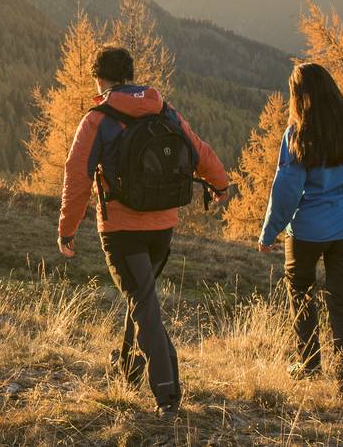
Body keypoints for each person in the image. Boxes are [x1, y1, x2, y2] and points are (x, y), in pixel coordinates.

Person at [57, 46, 232, 418]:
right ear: (130, 76)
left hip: (122, 228)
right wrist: (221, 184)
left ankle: (167, 394)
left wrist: (66, 230)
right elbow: (198, 149)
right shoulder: (163, 109)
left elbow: (77, 177)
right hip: (163, 225)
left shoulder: (97, 119)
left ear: (99, 80)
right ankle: (126, 366)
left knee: (144, 304)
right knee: (142, 296)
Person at [257, 62, 343, 397]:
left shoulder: (298, 134)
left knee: (301, 291)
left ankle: (308, 363)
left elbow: (287, 190)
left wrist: (269, 232)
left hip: (307, 231)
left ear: (299, 95)